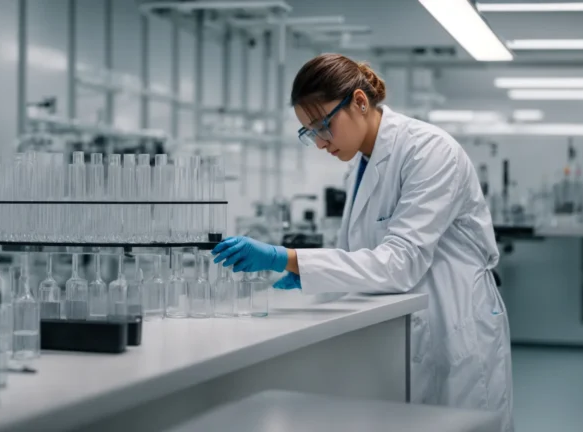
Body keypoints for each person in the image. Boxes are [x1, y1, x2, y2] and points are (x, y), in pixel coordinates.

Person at [212, 53, 513, 431]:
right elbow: (360, 254)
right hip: (402, 327)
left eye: (323, 126)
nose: (321, 143)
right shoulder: (360, 163)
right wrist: (309, 273)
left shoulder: (430, 151)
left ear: (359, 101)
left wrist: (287, 257)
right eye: (310, 133)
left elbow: (401, 263)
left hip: (453, 323)